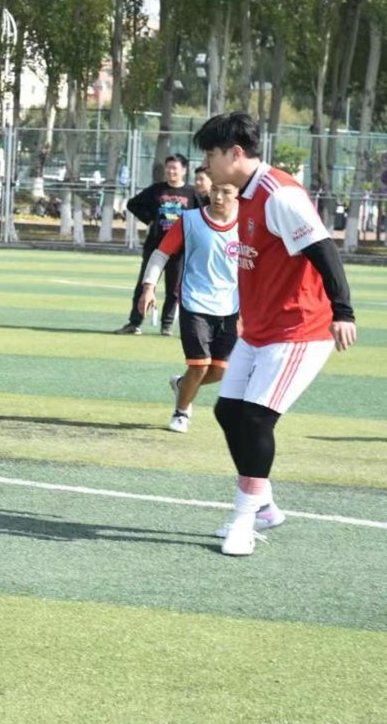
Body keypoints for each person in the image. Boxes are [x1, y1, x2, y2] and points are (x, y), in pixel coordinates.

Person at [193, 112, 356, 556]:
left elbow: (324, 249)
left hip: (299, 330)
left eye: (210, 153)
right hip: (260, 330)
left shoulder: (278, 194)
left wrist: (343, 311)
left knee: (256, 419)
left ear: (235, 153)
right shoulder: (245, 194)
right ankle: (264, 504)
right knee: (228, 412)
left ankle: (244, 521)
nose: (206, 163)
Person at [138, 180, 241, 434]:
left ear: (239, 194)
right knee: (200, 365)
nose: (218, 197)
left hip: (231, 306)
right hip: (195, 301)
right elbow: (161, 253)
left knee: (220, 370)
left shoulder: (249, 224)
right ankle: (181, 412)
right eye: (215, 190)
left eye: (226, 192)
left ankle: (181, 385)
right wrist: (149, 287)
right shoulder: (190, 220)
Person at [115, 154, 203, 336]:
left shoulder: (192, 193)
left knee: (174, 289)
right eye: (168, 168)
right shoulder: (156, 190)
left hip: (180, 249)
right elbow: (133, 204)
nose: (171, 171)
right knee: (145, 285)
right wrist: (150, 219)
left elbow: (203, 213)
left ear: (184, 170)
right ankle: (134, 323)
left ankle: (167, 325)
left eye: (174, 168)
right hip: (155, 246)